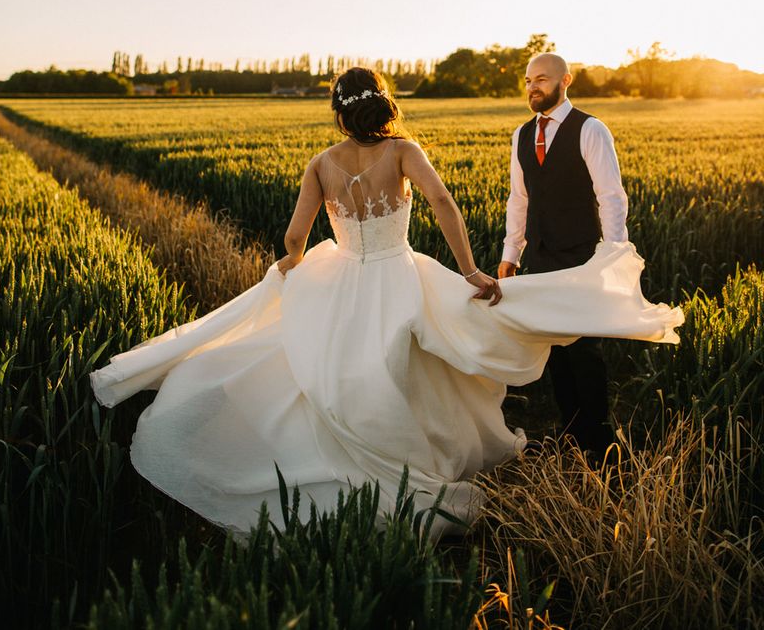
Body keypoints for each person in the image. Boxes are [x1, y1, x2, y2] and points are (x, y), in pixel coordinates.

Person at [90, 67, 682, 539]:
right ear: (383, 104)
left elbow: (296, 238)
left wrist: (292, 266)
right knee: (425, 360)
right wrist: (471, 268)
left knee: (329, 371)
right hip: (399, 274)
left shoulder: (320, 164)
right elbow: (444, 205)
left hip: (340, 275)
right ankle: (422, 452)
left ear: (338, 112)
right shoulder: (403, 151)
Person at [498, 53, 629, 460]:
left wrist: (613, 255)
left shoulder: (590, 129)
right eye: (527, 80)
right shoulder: (521, 134)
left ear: (565, 80)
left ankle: (600, 443)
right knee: (555, 347)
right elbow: (519, 199)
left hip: (582, 256)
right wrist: (511, 253)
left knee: (584, 350)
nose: (532, 87)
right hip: (539, 256)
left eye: (541, 79)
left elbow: (611, 197)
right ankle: (571, 433)